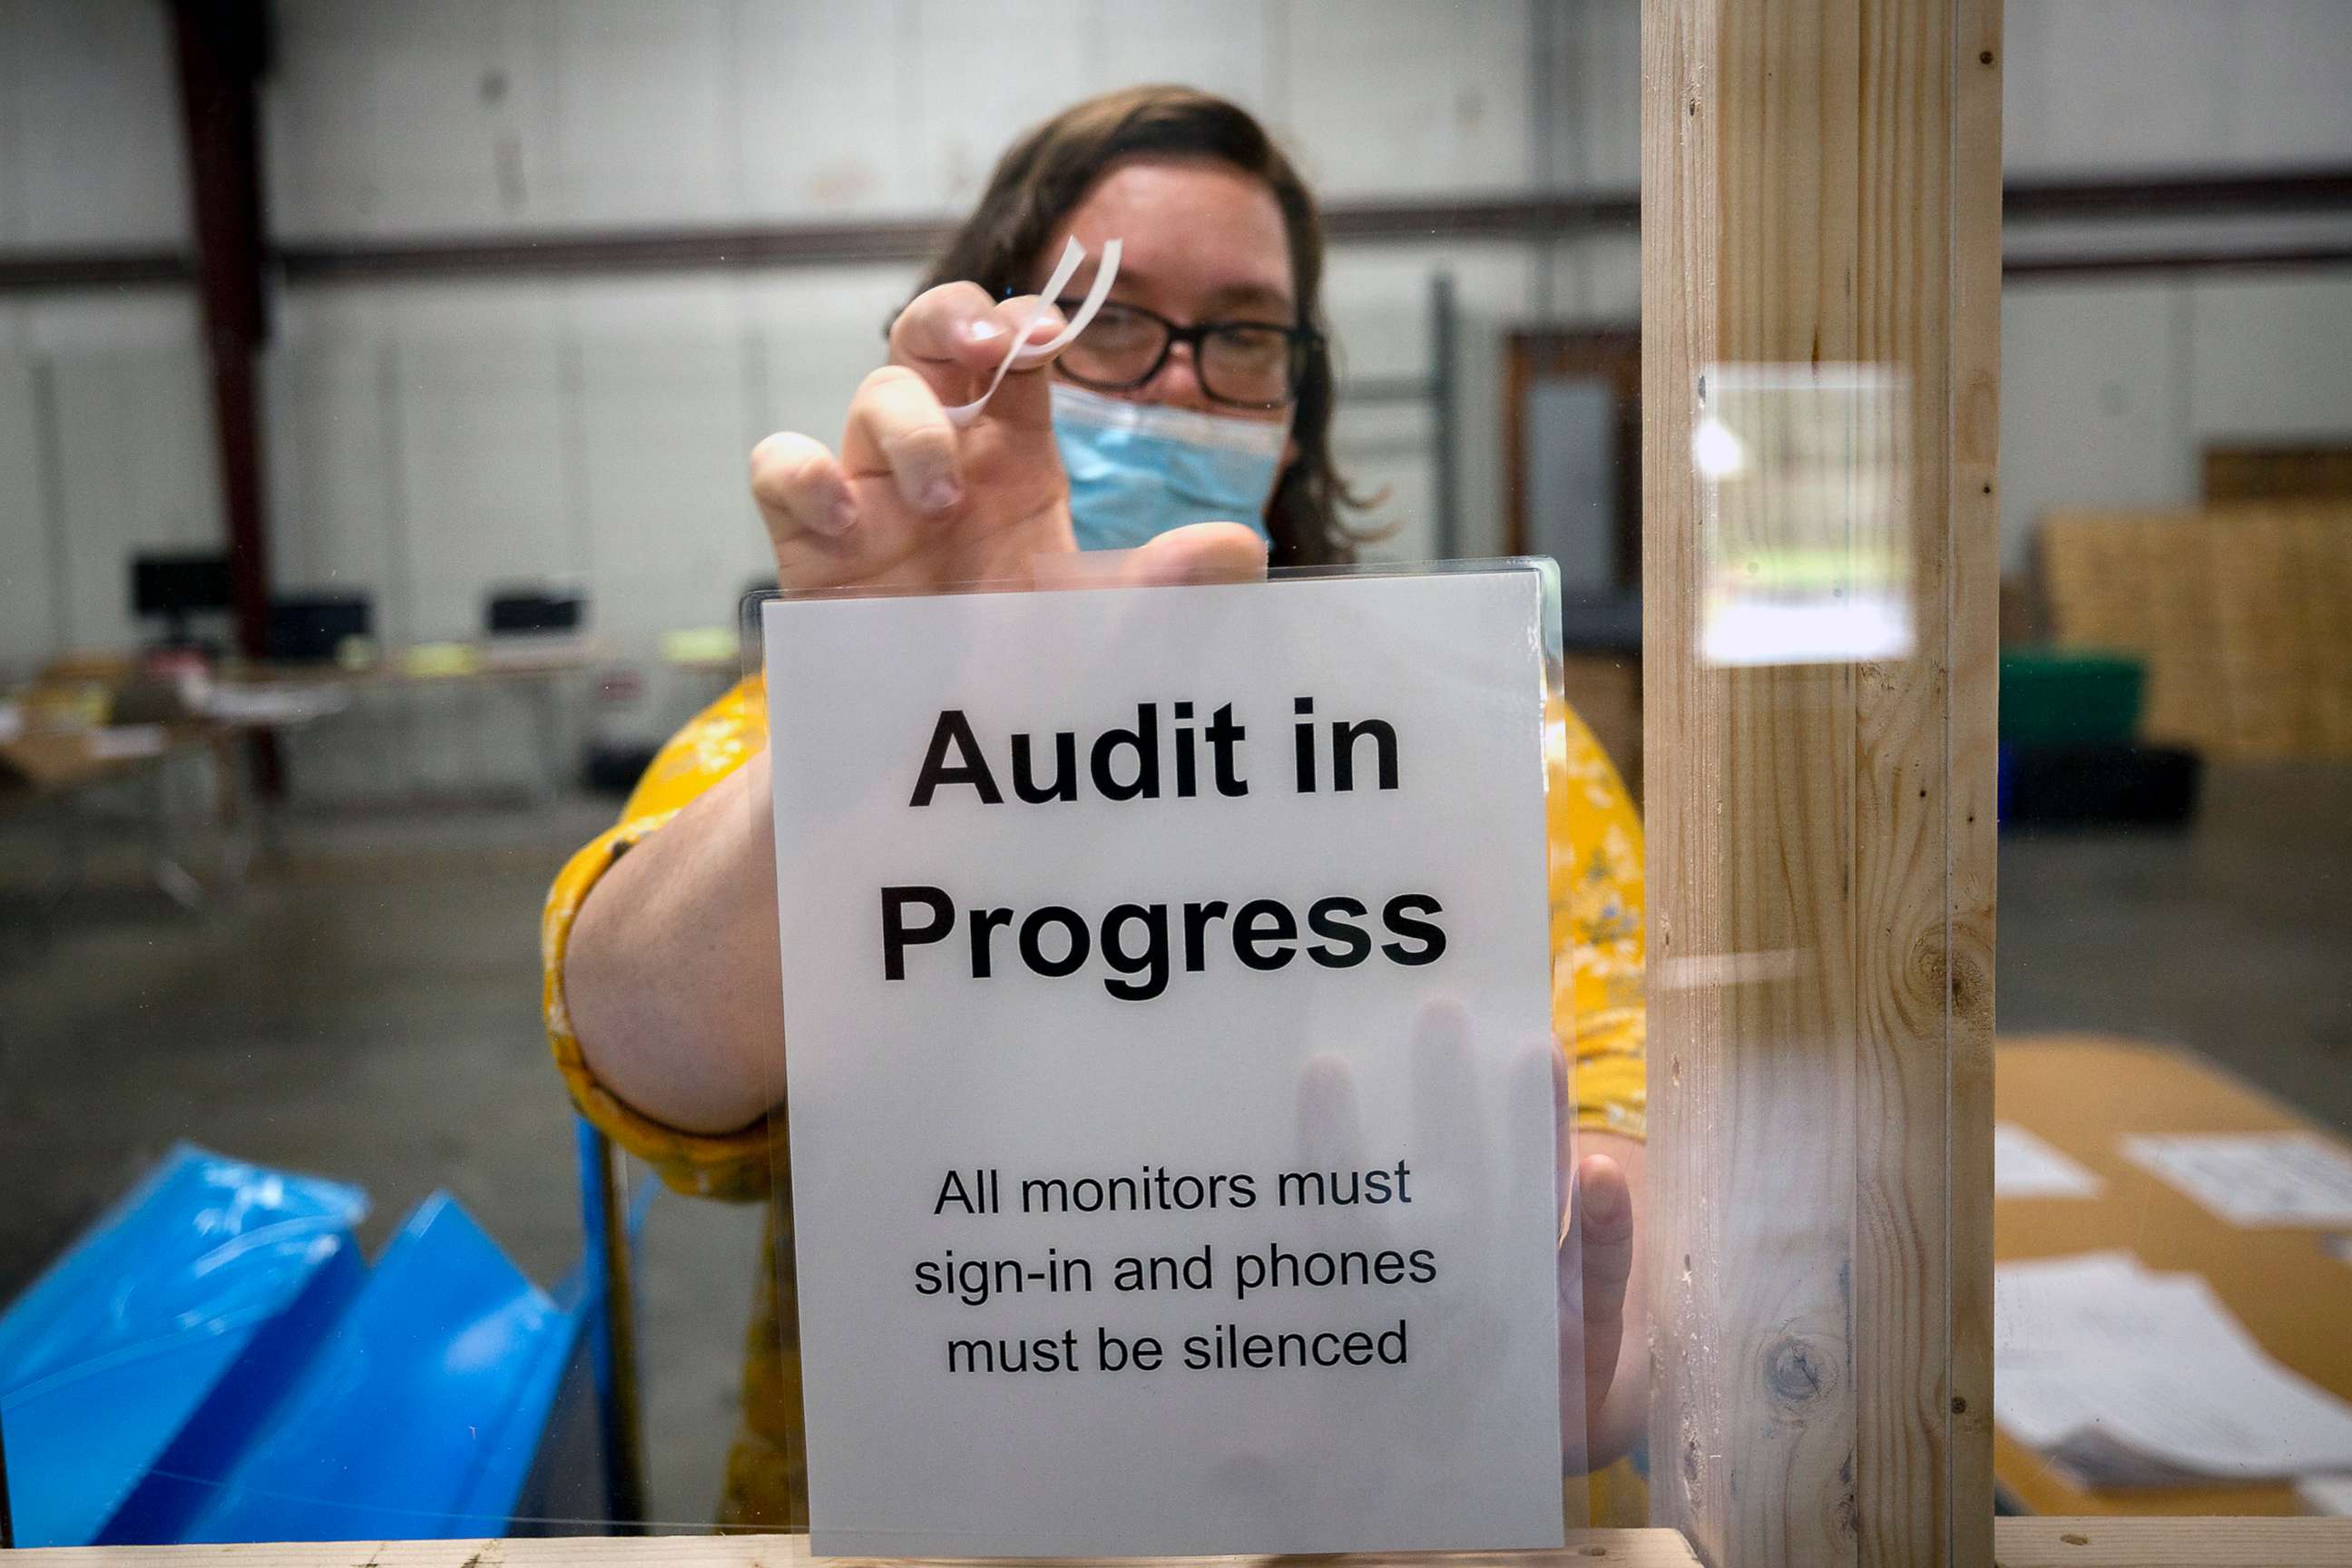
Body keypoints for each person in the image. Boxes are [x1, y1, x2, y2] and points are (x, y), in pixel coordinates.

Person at [544, 84, 1650, 1529]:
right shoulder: (815, 728)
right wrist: (887, 751)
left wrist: (1594, 1335)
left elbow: (1634, 1107)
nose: (1183, 386)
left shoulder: (1486, 734)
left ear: (1298, 396)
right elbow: (643, 1050)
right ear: (1004, 340)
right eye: (1113, 322)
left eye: (1245, 332)